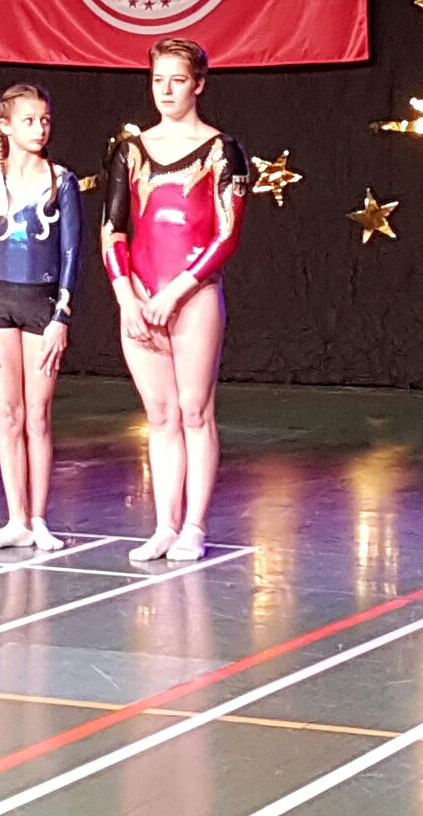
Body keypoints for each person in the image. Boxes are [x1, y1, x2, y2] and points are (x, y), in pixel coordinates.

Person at [102, 39, 248, 564]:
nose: (165, 91)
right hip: (140, 297)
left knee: (194, 410)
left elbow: (227, 235)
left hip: (192, 295)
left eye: (177, 80)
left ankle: (194, 526)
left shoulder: (222, 150)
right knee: (160, 414)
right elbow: (113, 228)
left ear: (198, 84)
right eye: (158, 80)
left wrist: (177, 290)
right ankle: (164, 524)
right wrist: (126, 295)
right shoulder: (130, 150)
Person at [0, 84, 82, 555]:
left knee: (38, 413)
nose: (39, 129)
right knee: (9, 412)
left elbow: (72, 253)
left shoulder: (61, 181)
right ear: (6, 126)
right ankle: (15, 519)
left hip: (42, 303)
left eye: (44, 120)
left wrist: (61, 316)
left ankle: (39, 519)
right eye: (29, 120)